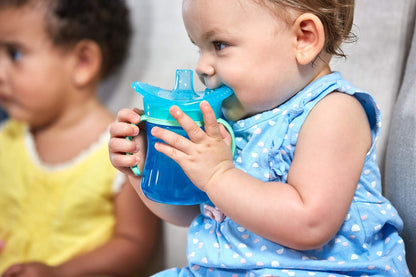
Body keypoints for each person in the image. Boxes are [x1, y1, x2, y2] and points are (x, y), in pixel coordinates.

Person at [109, 0, 411, 276]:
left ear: (304, 38)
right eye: (198, 48)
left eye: (219, 44)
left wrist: (217, 175)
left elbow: (311, 224)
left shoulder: (334, 112)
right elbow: (191, 210)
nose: (202, 66)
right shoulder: (231, 121)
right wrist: (143, 166)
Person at [0, 0, 159, 276]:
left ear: (83, 62)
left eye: (14, 54)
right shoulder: (8, 136)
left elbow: (134, 246)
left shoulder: (123, 147)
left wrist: (58, 272)